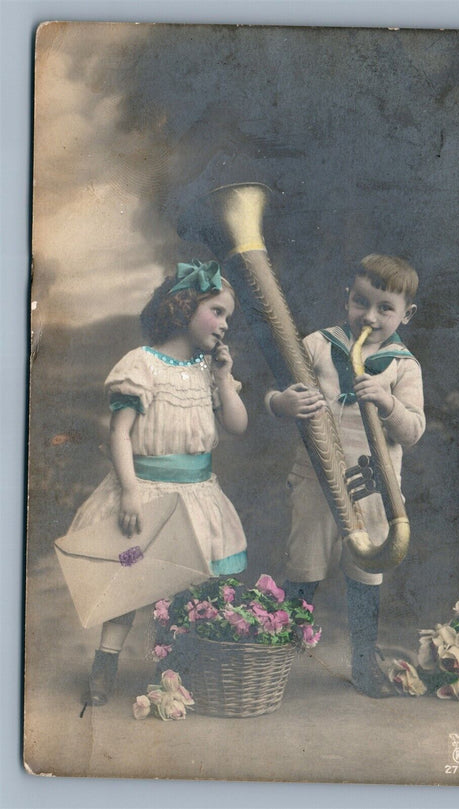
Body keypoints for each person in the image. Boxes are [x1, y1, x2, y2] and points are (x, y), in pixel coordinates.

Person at [67, 259, 248, 706]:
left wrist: (224, 381)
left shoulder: (209, 370)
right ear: (184, 306)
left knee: (187, 585)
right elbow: (120, 433)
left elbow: (238, 425)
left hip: (196, 493)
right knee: (129, 579)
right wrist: (129, 490)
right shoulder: (141, 365)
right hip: (146, 489)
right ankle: (106, 661)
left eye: (229, 317)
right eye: (217, 311)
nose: (224, 324)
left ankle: (173, 665)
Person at [265, 254, 425, 698]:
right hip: (316, 482)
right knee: (304, 566)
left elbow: (412, 431)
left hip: (374, 491)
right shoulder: (318, 343)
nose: (369, 317)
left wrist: (389, 404)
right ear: (347, 297)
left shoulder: (403, 366)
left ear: (406, 315)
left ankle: (362, 663)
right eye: (360, 302)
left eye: (384, 309)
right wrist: (283, 405)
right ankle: (278, 661)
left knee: (365, 576)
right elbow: (276, 392)